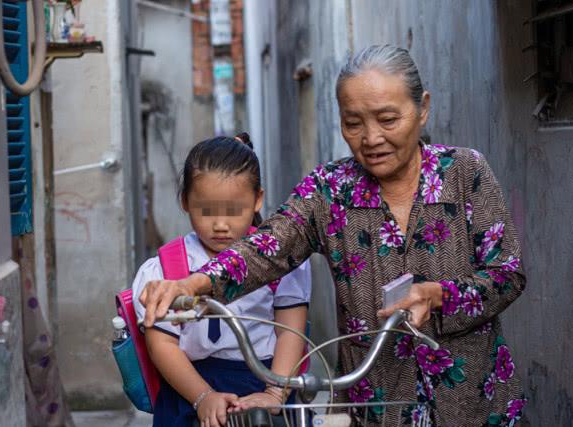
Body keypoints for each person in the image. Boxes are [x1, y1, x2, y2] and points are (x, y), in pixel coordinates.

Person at [140, 45, 527, 426]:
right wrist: (195, 283)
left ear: (422, 108)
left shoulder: (464, 172)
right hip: (378, 402)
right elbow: (267, 247)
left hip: (473, 397)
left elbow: (507, 274)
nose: (371, 137)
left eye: (388, 119)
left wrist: (439, 295)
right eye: (353, 123)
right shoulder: (329, 191)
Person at [133, 134, 312, 427]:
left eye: (234, 211)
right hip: (188, 386)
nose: (220, 225)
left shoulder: (281, 261)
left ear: (257, 200)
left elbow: (291, 331)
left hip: (267, 378)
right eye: (207, 211)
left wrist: (275, 393)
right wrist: (203, 396)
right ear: (184, 201)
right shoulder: (164, 270)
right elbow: (162, 345)